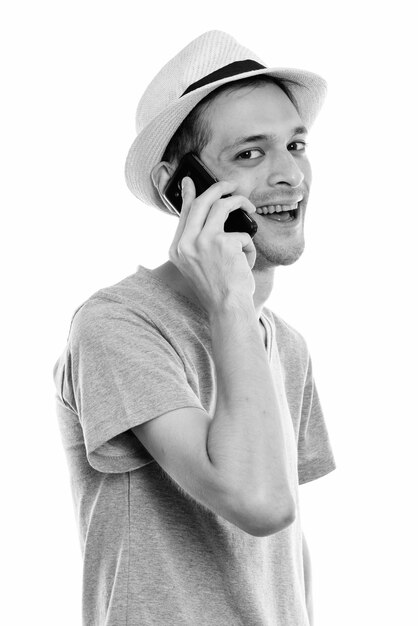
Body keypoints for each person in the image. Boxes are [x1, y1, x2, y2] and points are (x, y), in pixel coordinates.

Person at [53, 30, 336, 626]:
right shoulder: (118, 326)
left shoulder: (284, 343)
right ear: (179, 188)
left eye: (296, 144)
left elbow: (285, 548)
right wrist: (231, 298)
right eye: (250, 154)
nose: (291, 175)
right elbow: (258, 503)